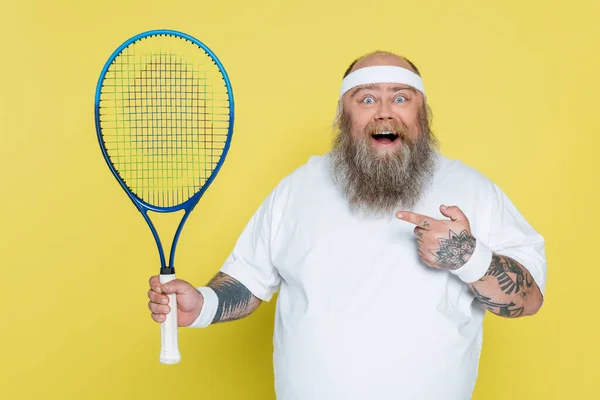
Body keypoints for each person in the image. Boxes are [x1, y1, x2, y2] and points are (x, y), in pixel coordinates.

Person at [147, 51, 547, 399]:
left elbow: (529, 299)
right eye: (367, 98)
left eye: (401, 98)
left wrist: (468, 257)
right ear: (344, 115)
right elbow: (249, 279)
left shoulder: (475, 191)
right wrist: (203, 305)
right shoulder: (296, 190)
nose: (385, 111)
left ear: (421, 114)